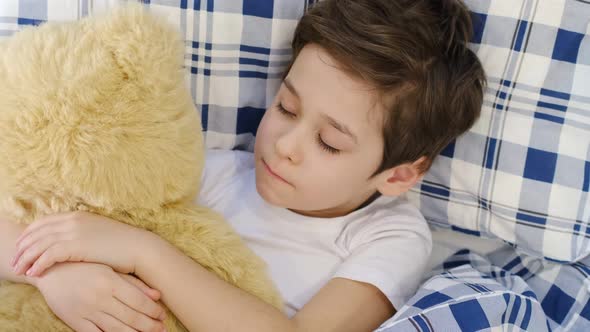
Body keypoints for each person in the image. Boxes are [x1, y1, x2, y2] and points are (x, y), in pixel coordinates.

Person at [1, 0, 486, 331]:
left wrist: (143, 252)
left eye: (330, 142)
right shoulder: (208, 172)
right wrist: (49, 275)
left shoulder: (388, 237)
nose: (285, 145)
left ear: (399, 174)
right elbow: (31, 223)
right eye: (286, 108)